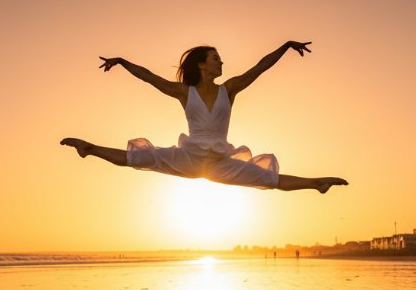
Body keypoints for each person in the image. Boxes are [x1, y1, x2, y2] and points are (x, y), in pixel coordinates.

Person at [61, 41, 348, 193]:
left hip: (219, 161)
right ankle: (89, 148)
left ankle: (317, 184)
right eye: (215, 58)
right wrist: (123, 62)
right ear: (202, 65)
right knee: (138, 157)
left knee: (268, 179)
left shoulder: (230, 89)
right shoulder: (186, 93)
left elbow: (260, 67)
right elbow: (149, 78)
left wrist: (285, 46)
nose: (221, 61)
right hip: (190, 155)